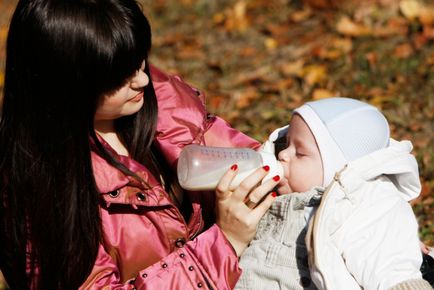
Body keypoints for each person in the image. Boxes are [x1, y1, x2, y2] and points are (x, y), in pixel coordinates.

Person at [0, 0, 281, 289]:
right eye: (119, 77)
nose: (143, 79)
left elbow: (241, 152)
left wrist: (288, 157)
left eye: (139, 59)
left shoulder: (162, 102)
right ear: (64, 86)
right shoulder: (44, 194)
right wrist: (224, 244)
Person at [235, 97, 433, 290]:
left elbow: (390, 267)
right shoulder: (267, 192)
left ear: (339, 169)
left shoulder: (359, 204)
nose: (283, 155)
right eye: (286, 143)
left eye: (300, 152)